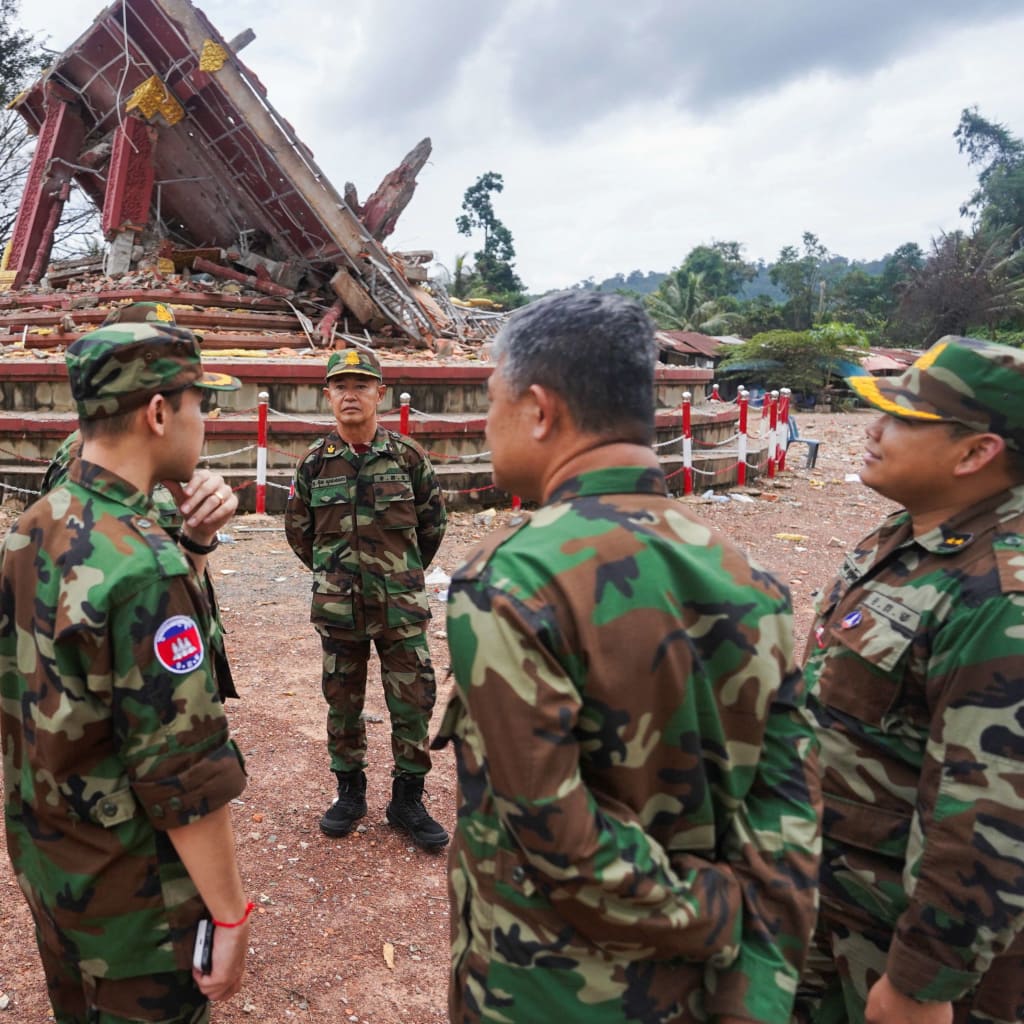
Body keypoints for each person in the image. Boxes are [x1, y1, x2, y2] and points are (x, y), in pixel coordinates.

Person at [432, 290, 822, 1023]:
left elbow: (561, 839)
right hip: (702, 994)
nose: (486, 426)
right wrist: (757, 989)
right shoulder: (743, 575)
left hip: (552, 992)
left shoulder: (514, 579)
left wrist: (705, 912)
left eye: (493, 403)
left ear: (540, 411)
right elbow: (786, 808)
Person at [1, 320, 251, 1023]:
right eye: (200, 404)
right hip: (138, 912)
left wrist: (193, 545)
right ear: (159, 412)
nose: (205, 423)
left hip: (54, 873)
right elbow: (185, 771)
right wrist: (230, 914)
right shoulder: (144, 565)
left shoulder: (35, 524)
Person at [794, 336, 1024, 1024]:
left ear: (975, 452)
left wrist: (921, 983)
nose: (872, 429)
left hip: (905, 949)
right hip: (836, 908)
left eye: (900, 418)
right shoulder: (909, 535)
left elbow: (991, 812)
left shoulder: (1001, 595)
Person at [285, 347, 449, 848]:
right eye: (340, 385)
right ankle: (349, 792)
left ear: (381, 392)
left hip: (399, 606)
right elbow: (300, 535)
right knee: (342, 700)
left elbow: (431, 526)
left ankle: (408, 800)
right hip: (339, 608)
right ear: (327, 395)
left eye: (360, 385)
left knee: (413, 700)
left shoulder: (407, 458)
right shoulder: (314, 465)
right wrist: (337, 575)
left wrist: (397, 574)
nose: (349, 394)